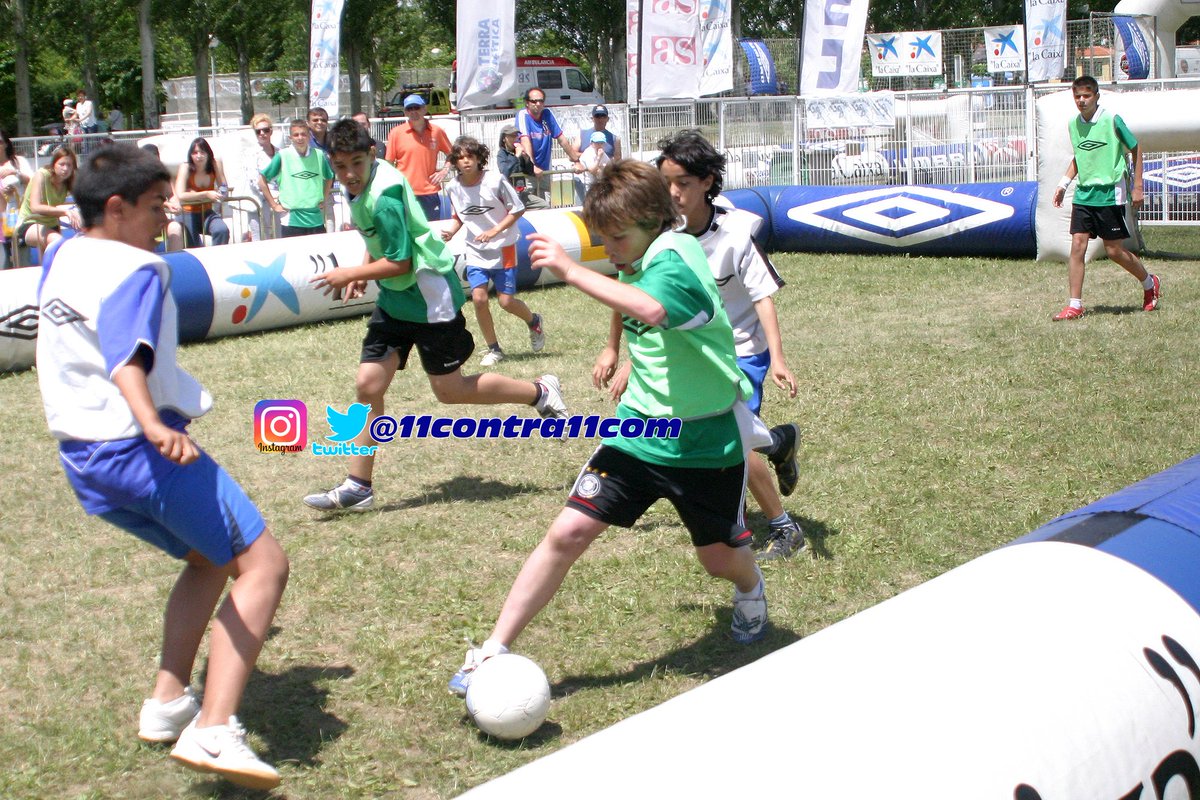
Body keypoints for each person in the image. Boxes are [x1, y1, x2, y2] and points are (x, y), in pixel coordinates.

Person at [448, 159, 769, 697]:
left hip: (705, 439)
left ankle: (750, 584)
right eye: (602, 239)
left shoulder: (677, 257)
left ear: (654, 220)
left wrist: (573, 272)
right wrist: (618, 353)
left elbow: (652, 306)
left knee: (718, 559)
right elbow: (632, 302)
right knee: (567, 532)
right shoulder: (638, 251)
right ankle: (493, 649)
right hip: (638, 432)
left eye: (617, 238)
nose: (610, 249)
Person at [35, 144, 288, 789]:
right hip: (137, 446)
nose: (166, 220)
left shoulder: (61, 253)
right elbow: (127, 355)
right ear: (116, 208)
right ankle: (213, 729)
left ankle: (168, 701)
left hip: (83, 459)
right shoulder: (138, 268)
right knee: (263, 566)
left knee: (208, 559)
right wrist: (152, 423)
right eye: (154, 207)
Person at [301, 120, 568, 512]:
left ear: (372, 155)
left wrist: (352, 274)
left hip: (428, 297)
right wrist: (364, 263)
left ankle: (539, 391)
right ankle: (359, 485)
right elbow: (379, 237)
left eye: (356, 163)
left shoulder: (386, 191)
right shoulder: (362, 184)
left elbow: (401, 261)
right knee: (368, 386)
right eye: (340, 166)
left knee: (450, 391)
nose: (349, 174)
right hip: (395, 300)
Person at [654, 129, 804, 560]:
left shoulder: (736, 232)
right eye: (667, 182)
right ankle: (776, 443)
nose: (673, 192)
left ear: (706, 181)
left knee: (733, 439)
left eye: (682, 182)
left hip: (742, 354)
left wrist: (777, 359)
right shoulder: (663, 235)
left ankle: (784, 528)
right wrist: (627, 357)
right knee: (715, 440)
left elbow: (762, 297)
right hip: (695, 356)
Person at [1051, 75, 1160, 320]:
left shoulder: (1111, 120)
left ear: (1096, 96)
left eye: (1086, 95)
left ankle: (1149, 282)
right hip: (1084, 194)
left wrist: (1138, 185)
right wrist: (1063, 184)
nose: (1081, 100)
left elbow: (1136, 147)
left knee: (1113, 251)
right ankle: (1075, 304)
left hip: (1110, 193)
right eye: (1077, 96)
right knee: (1078, 245)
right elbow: (1080, 156)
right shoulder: (1073, 124)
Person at [440, 135, 545, 367]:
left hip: (503, 247)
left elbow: (517, 209)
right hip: (476, 250)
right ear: (455, 162)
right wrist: (450, 232)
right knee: (478, 299)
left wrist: (494, 231)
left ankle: (534, 321)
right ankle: (494, 349)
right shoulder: (454, 187)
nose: (466, 161)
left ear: (479, 158)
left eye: (470, 156)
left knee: (506, 302)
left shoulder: (495, 180)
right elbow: (459, 216)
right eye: (460, 158)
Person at [259, 118, 333, 237]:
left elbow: (329, 177)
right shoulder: (283, 156)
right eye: (296, 135)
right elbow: (262, 180)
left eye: (303, 134)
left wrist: (324, 198)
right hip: (291, 220)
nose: (300, 138)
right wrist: (274, 205)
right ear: (290, 138)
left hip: (316, 219)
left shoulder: (319, 155)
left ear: (309, 136)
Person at [383, 94, 452, 222]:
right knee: (407, 232)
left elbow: (453, 154)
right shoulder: (396, 133)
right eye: (409, 109)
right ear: (405, 112)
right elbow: (388, 163)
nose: (414, 112)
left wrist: (444, 171)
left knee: (431, 230)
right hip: (405, 193)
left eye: (417, 107)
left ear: (424, 109)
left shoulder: (437, 131)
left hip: (430, 192)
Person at [514, 87, 583, 203]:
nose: (538, 104)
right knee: (529, 206)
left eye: (541, 101)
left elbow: (562, 140)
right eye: (534, 101)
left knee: (546, 205)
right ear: (527, 103)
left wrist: (576, 161)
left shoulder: (547, 114)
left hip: (545, 170)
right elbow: (525, 141)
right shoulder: (522, 115)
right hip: (527, 171)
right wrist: (533, 166)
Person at [17, 145, 80, 257]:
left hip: (51, 225)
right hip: (30, 222)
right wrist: (65, 212)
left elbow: (84, 199)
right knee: (58, 243)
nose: (65, 169)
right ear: (53, 164)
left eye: (69, 165)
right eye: (62, 164)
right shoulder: (41, 175)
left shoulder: (68, 181)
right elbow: (35, 207)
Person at [174, 137, 230, 247]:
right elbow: (180, 195)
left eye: (202, 152)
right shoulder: (185, 167)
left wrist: (220, 193)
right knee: (195, 245)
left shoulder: (215, 165)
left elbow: (224, 188)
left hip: (207, 212)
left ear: (208, 153)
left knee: (222, 230)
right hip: (187, 213)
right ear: (190, 155)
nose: (199, 156)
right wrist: (205, 194)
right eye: (195, 153)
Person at [496, 123, 546, 210]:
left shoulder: (518, 151)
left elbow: (530, 172)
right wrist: (517, 156)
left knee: (544, 205)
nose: (515, 138)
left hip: (521, 192)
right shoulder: (502, 154)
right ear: (504, 138)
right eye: (511, 136)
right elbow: (505, 172)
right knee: (515, 210)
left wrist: (526, 158)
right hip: (509, 194)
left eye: (516, 136)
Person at [246, 113, 280, 241]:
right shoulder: (251, 155)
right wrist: (271, 195)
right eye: (258, 131)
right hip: (258, 204)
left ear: (271, 131)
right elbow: (254, 181)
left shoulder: (281, 153)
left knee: (279, 238)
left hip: (278, 203)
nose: (262, 133)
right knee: (259, 241)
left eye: (265, 130)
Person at [577, 131, 612, 196]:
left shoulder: (602, 153)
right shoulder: (588, 153)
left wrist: (602, 168)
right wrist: (598, 159)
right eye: (597, 143)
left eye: (601, 143)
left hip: (597, 185)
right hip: (585, 185)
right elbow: (592, 170)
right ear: (592, 143)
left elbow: (609, 167)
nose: (599, 145)